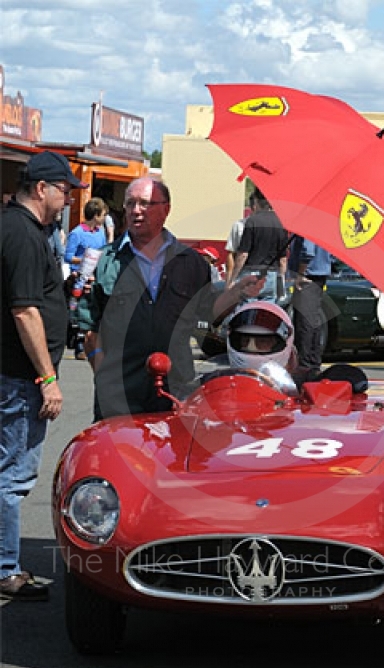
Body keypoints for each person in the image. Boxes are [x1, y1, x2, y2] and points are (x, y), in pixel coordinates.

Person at [80, 176, 263, 420]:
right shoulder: (104, 261)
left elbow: (208, 314)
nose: (136, 211)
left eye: (145, 204)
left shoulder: (191, 263)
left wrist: (237, 292)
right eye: (130, 203)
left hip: (175, 391)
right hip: (119, 396)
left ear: (166, 209)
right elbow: (89, 329)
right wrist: (104, 375)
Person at [1, 150, 86, 600]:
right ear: (41, 189)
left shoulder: (25, 230)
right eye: (64, 190)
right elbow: (25, 310)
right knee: (13, 476)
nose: (68, 198)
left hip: (13, 376)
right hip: (18, 378)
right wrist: (48, 377)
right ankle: (5, 568)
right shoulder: (22, 233)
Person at [226, 300, 368, 394]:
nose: (252, 348)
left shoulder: (301, 380)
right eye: (244, 341)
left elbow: (355, 377)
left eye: (262, 343)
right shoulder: (222, 380)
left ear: (284, 343)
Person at [64, 197, 108, 359]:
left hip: (95, 278)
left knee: (93, 312)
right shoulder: (77, 233)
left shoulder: (100, 233)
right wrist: (86, 259)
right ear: (95, 215)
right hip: (79, 279)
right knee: (77, 313)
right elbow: (68, 256)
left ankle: (94, 344)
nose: (104, 219)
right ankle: (78, 345)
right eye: (103, 215)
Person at [229, 188, 289, 303]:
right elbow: (283, 259)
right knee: (266, 313)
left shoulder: (252, 221)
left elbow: (243, 254)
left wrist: (233, 278)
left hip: (251, 273)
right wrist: (281, 279)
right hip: (271, 275)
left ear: (256, 201)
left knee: (247, 310)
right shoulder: (281, 223)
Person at [288, 235, 332, 380]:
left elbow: (308, 249)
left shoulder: (308, 224)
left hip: (309, 274)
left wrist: (300, 273)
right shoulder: (323, 225)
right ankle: (313, 362)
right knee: (313, 319)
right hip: (319, 272)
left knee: (304, 320)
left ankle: (305, 364)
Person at [225, 205, 253, 284]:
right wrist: (229, 280)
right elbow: (231, 253)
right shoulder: (239, 225)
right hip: (242, 273)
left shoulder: (271, 226)